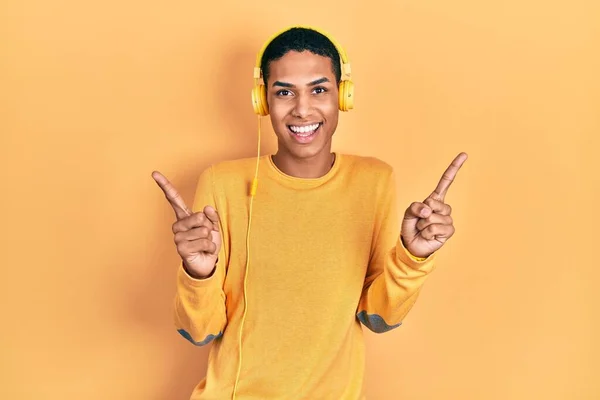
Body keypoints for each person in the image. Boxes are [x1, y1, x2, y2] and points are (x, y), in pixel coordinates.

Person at [152, 26, 467, 400]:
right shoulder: (221, 183)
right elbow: (199, 332)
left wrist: (414, 256)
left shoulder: (374, 181)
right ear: (262, 101)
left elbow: (379, 318)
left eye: (319, 90)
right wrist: (197, 272)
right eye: (284, 92)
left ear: (343, 95)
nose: (302, 109)